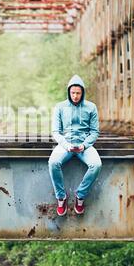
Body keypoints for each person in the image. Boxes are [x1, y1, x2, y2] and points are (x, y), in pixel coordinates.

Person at [48, 75, 102, 216]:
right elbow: (56, 131)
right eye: (73, 93)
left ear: (82, 92)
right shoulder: (60, 107)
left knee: (96, 165)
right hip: (65, 144)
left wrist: (84, 145)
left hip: (85, 146)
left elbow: (94, 132)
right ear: (69, 92)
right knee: (53, 162)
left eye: (78, 93)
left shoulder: (91, 107)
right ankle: (61, 197)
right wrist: (66, 145)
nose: (75, 96)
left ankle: (80, 195)